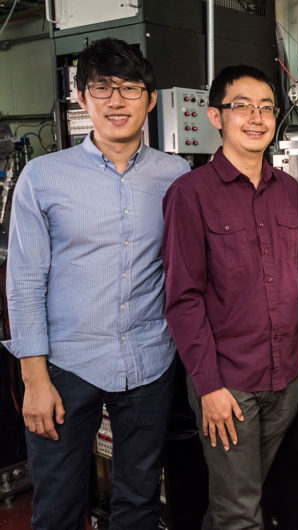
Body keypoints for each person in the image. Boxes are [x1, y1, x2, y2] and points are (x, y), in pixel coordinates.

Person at [3, 38, 190, 529]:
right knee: (59, 504)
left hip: (151, 360)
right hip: (66, 365)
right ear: (81, 99)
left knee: (140, 499)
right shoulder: (44, 177)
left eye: (129, 89)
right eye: (102, 88)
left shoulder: (176, 175)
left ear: (150, 99)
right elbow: (24, 281)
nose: (116, 101)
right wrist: (33, 377)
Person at [162, 65, 298, 529]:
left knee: (239, 499)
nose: (256, 117)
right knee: (239, 511)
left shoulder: (288, 190)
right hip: (228, 382)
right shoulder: (189, 194)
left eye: (266, 108)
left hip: (284, 375)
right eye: (242, 106)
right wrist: (208, 387)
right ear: (216, 116)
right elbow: (182, 299)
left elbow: (297, 268)